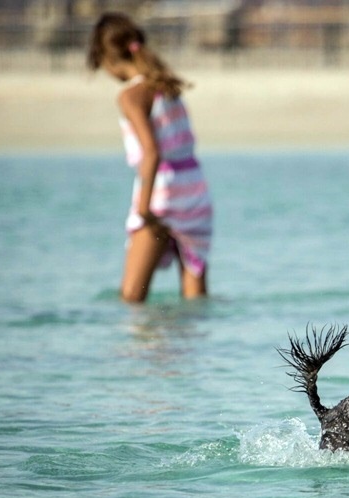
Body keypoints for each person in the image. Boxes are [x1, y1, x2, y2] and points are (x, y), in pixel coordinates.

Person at [87, 12, 212, 302]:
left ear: (107, 58)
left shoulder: (131, 96)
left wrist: (143, 211)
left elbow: (152, 152)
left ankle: (146, 349)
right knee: (195, 298)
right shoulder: (168, 87)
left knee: (132, 297)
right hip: (195, 189)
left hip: (162, 192)